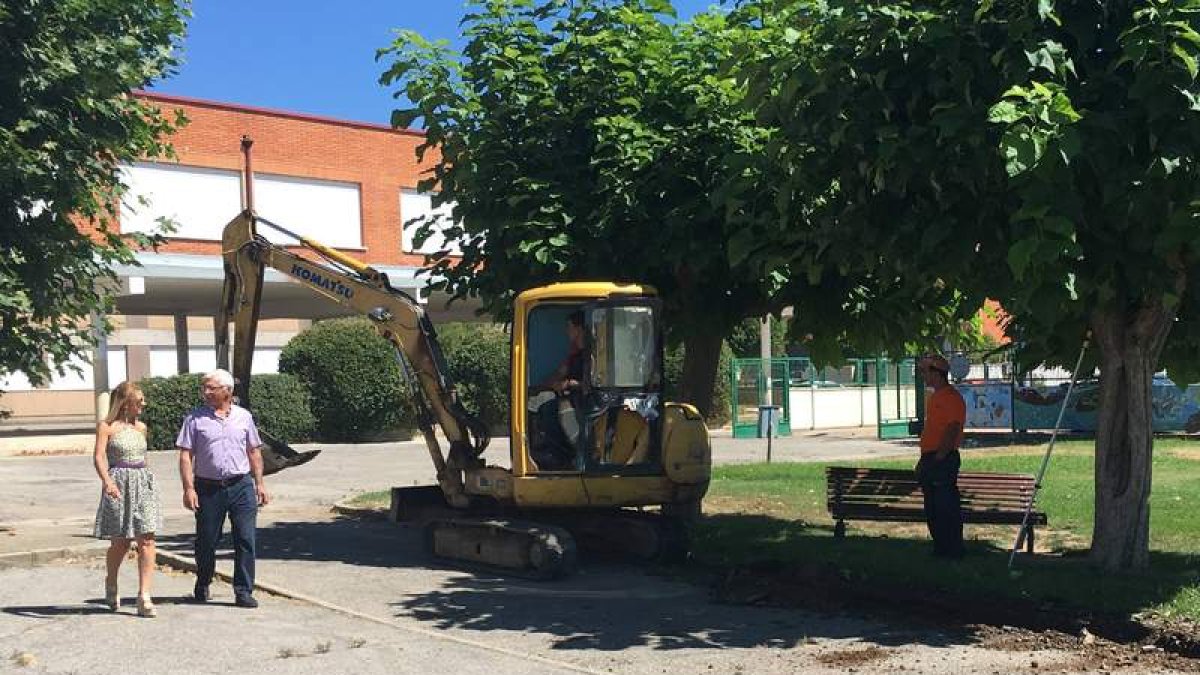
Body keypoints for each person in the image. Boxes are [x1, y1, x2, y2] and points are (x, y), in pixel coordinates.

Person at [176, 369, 270, 608]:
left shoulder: (244, 417)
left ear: (227, 391)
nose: (205, 392)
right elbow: (186, 455)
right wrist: (189, 489)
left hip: (241, 485)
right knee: (207, 540)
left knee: (245, 538)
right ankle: (204, 580)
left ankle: (243, 590)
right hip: (208, 488)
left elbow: (254, 451)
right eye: (204, 388)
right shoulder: (195, 419)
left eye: (211, 388)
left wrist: (259, 483)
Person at [92, 381, 162, 618]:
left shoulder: (141, 427)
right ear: (125, 402)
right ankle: (111, 581)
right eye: (139, 400)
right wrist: (107, 482)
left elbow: (145, 457)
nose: (144, 404)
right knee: (121, 543)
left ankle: (144, 596)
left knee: (148, 540)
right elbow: (99, 457)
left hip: (143, 482)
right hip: (119, 483)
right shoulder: (107, 427)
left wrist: (150, 482)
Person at [915, 354, 966, 558]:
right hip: (932, 457)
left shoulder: (951, 397)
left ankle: (951, 549)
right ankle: (941, 548)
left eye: (925, 371)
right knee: (933, 508)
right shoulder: (936, 396)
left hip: (941, 459)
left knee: (945, 507)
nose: (923, 375)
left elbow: (952, 428)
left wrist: (938, 458)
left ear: (937, 373)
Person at [531, 310, 587, 470]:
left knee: (550, 411)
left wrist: (569, 384)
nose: (567, 332)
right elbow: (559, 373)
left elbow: (594, 383)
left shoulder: (593, 356)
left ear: (580, 329)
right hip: (571, 398)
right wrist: (539, 387)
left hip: (585, 402)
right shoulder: (574, 355)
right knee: (542, 406)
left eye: (570, 327)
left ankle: (564, 456)